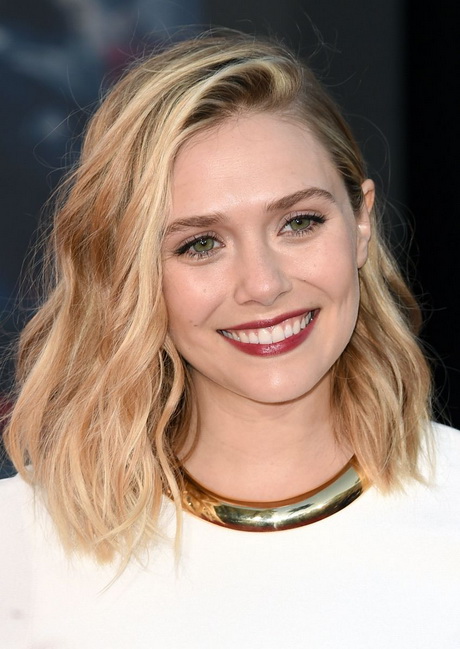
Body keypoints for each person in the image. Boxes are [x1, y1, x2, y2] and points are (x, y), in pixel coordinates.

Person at [1, 30, 459, 648]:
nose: (263, 285)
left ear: (360, 224)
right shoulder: (19, 549)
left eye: (299, 222)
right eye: (200, 244)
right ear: (130, 271)